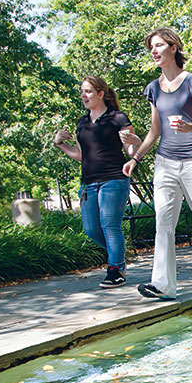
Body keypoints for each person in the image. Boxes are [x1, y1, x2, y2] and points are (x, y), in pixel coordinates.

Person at [121, 27, 192, 300]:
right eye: (151, 48)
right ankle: (163, 285)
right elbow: (154, 131)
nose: (154, 51)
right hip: (165, 163)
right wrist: (135, 157)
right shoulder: (153, 89)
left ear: (173, 47)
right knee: (163, 222)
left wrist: (188, 126)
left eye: (158, 45)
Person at [55, 76, 137, 288]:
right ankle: (117, 256)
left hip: (114, 178)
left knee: (110, 224)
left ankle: (115, 269)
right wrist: (60, 144)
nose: (84, 95)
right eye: (82, 92)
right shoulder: (81, 123)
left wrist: (134, 145)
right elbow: (81, 155)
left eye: (88, 91)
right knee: (91, 229)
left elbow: (130, 148)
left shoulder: (117, 117)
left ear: (101, 93)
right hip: (88, 182)